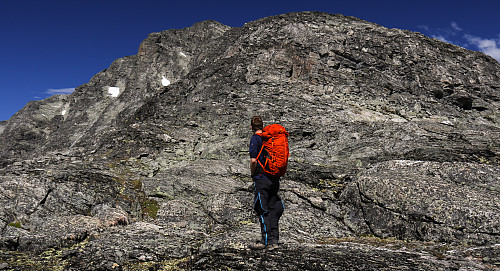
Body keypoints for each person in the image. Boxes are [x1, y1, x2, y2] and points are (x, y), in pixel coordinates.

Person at [248, 116, 284, 250]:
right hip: (274, 178)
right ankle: (275, 240)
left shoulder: (255, 139)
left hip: (261, 178)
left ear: (251, 127)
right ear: (262, 126)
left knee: (262, 209)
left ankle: (265, 241)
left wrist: (253, 174)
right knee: (273, 208)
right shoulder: (270, 138)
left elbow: (253, 161)